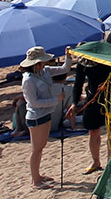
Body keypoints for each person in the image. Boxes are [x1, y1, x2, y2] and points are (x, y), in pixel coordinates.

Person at [21, 46, 72, 190]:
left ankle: (37, 175)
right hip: (36, 116)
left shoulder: (45, 72)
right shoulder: (28, 80)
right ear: (36, 64)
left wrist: (68, 55)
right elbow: (34, 103)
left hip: (46, 114)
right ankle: (35, 180)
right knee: (36, 149)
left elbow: (65, 69)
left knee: (41, 147)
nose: (45, 63)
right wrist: (56, 100)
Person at [68, 58, 111, 174]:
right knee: (93, 131)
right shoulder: (83, 64)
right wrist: (74, 103)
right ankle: (95, 162)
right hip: (93, 98)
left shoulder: (107, 59)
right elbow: (78, 83)